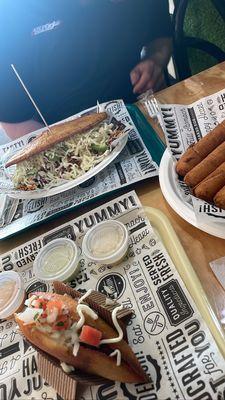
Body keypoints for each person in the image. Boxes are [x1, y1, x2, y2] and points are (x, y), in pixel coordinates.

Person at [0, 0, 172, 140]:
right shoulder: (10, 13)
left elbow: (160, 35)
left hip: (137, 110)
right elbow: (13, 120)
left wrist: (155, 60)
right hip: (55, 132)